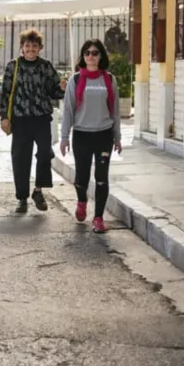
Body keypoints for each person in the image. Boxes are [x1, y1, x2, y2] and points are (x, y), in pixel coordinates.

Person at [0, 28, 66, 214]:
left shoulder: (46, 66)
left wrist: (62, 88)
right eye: (27, 46)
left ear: (40, 48)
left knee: (45, 153)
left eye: (34, 46)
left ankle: (38, 190)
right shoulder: (13, 66)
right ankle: (22, 198)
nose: (30, 49)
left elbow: (54, 91)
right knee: (21, 158)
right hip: (20, 119)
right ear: (22, 47)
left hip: (41, 118)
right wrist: (4, 117)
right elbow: (5, 93)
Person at [59, 39, 122, 234]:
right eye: (87, 53)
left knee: (101, 177)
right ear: (83, 56)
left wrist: (117, 137)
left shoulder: (109, 79)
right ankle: (82, 201)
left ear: (101, 56)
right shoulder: (76, 80)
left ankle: (98, 218)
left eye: (95, 53)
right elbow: (68, 110)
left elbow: (115, 111)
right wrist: (64, 137)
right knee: (82, 176)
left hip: (104, 135)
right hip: (82, 135)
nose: (91, 56)